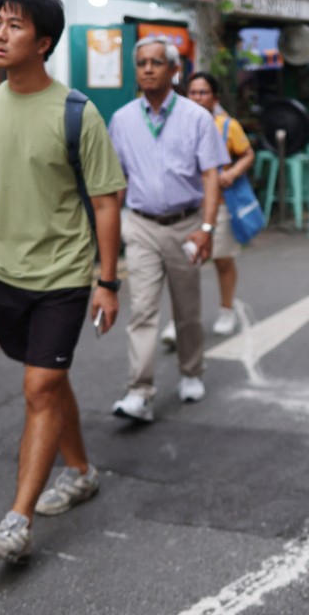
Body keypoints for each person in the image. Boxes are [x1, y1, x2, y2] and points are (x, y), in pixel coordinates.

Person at [0, 0, 127, 563]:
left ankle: (16, 521)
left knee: (39, 387)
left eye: (15, 26)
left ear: (44, 42)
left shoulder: (78, 113)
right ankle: (79, 470)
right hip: (1, 275)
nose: (0, 34)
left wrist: (107, 281)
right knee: (47, 381)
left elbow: (106, 201)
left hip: (62, 275)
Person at [109, 36, 226, 422]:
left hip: (186, 225)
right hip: (141, 225)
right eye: (141, 63)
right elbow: (118, 181)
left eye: (156, 62)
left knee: (187, 308)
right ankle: (138, 392)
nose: (147, 69)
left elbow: (211, 175)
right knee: (142, 309)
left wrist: (207, 228)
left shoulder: (196, 117)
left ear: (175, 70)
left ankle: (192, 371)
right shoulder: (123, 119)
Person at [160, 72, 253, 340]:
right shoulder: (175, 125)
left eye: (203, 93)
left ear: (215, 98)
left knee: (222, 260)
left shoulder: (226, 126)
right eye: (193, 93)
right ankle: (176, 320)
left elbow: (247, 154)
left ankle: (226, 310)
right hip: (187, 207)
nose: (198, 98)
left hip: (220, 205)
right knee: (182, 267)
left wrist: (232, 173)